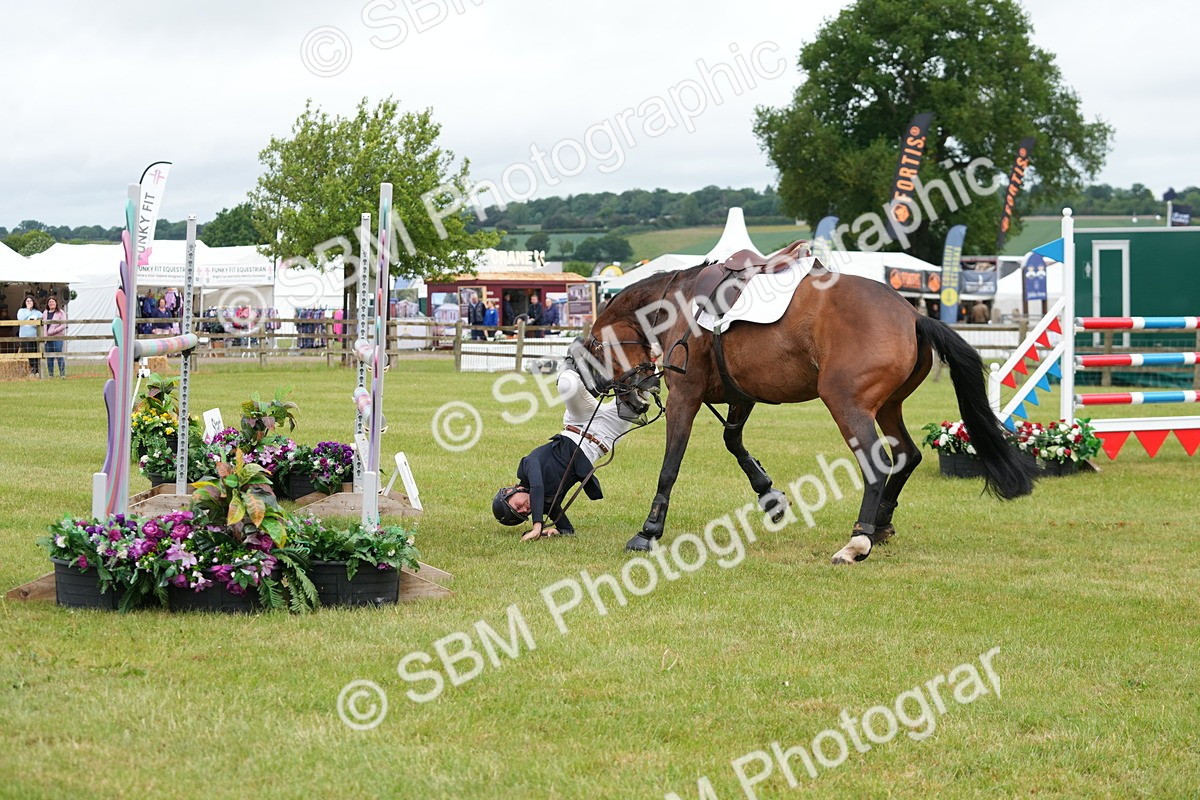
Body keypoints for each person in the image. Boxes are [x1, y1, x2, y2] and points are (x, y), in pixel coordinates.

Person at [492, 350, 644, 540]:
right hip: (605, 436)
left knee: (567, 383)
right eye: (523, 514)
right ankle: (644, 355)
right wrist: (551, 531)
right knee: (642, 389)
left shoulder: (526, 467)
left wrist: (537, 525)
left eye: (517, 505)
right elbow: (568, 530)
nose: (524, 508)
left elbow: (537, 485)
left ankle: (577, 356)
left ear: (509, 491)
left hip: (578, 422)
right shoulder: (548, 504)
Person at [17, 295, 43, 377]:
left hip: (35, 336)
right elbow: (20, 319)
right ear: (25, 302)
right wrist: (28, 310)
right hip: (24, 337)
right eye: (27, 301)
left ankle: (37, 371)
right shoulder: (21, 311)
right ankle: (34, 369)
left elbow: (41, 323)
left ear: (33, 302)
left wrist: (34, 323)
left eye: (30, 301)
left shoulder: (38, 312)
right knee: (29, 352)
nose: (29, 302)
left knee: (36, 352)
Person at [42, 297, 67, 378]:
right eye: (50, 302)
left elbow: (63, 325)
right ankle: (51, 374)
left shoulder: (60, 312)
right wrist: (45, 335)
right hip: (47, 338)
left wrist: (53, 331)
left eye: (53, 302)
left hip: (57, 337)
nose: (51, 303)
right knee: (49, 356)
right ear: (47, 304)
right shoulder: (45, 313)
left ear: (56, 303)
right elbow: (43, 325)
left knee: (59, 355)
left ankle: (62, 374)